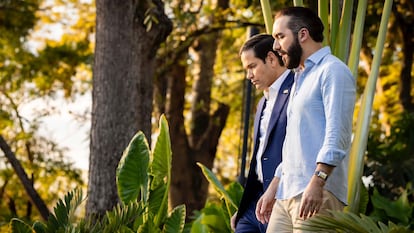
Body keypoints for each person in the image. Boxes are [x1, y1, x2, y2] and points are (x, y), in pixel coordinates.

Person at [255, 7, 356, 232]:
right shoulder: (299, 78)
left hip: (317, 192)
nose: (275, 46)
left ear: (302, 35)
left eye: (280, 37)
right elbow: (294, 144)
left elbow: (337, 134)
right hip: (287, 193)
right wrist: (274, 186)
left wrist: (318, 181)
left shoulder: (333, 71)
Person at [230, 34, 294, 233]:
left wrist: (275, 191)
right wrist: (245, 208)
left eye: (252, 67)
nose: (249, 76)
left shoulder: (297, 90)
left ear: (272, 59)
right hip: (255, 205)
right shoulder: (262, 103)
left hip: (283, 200)